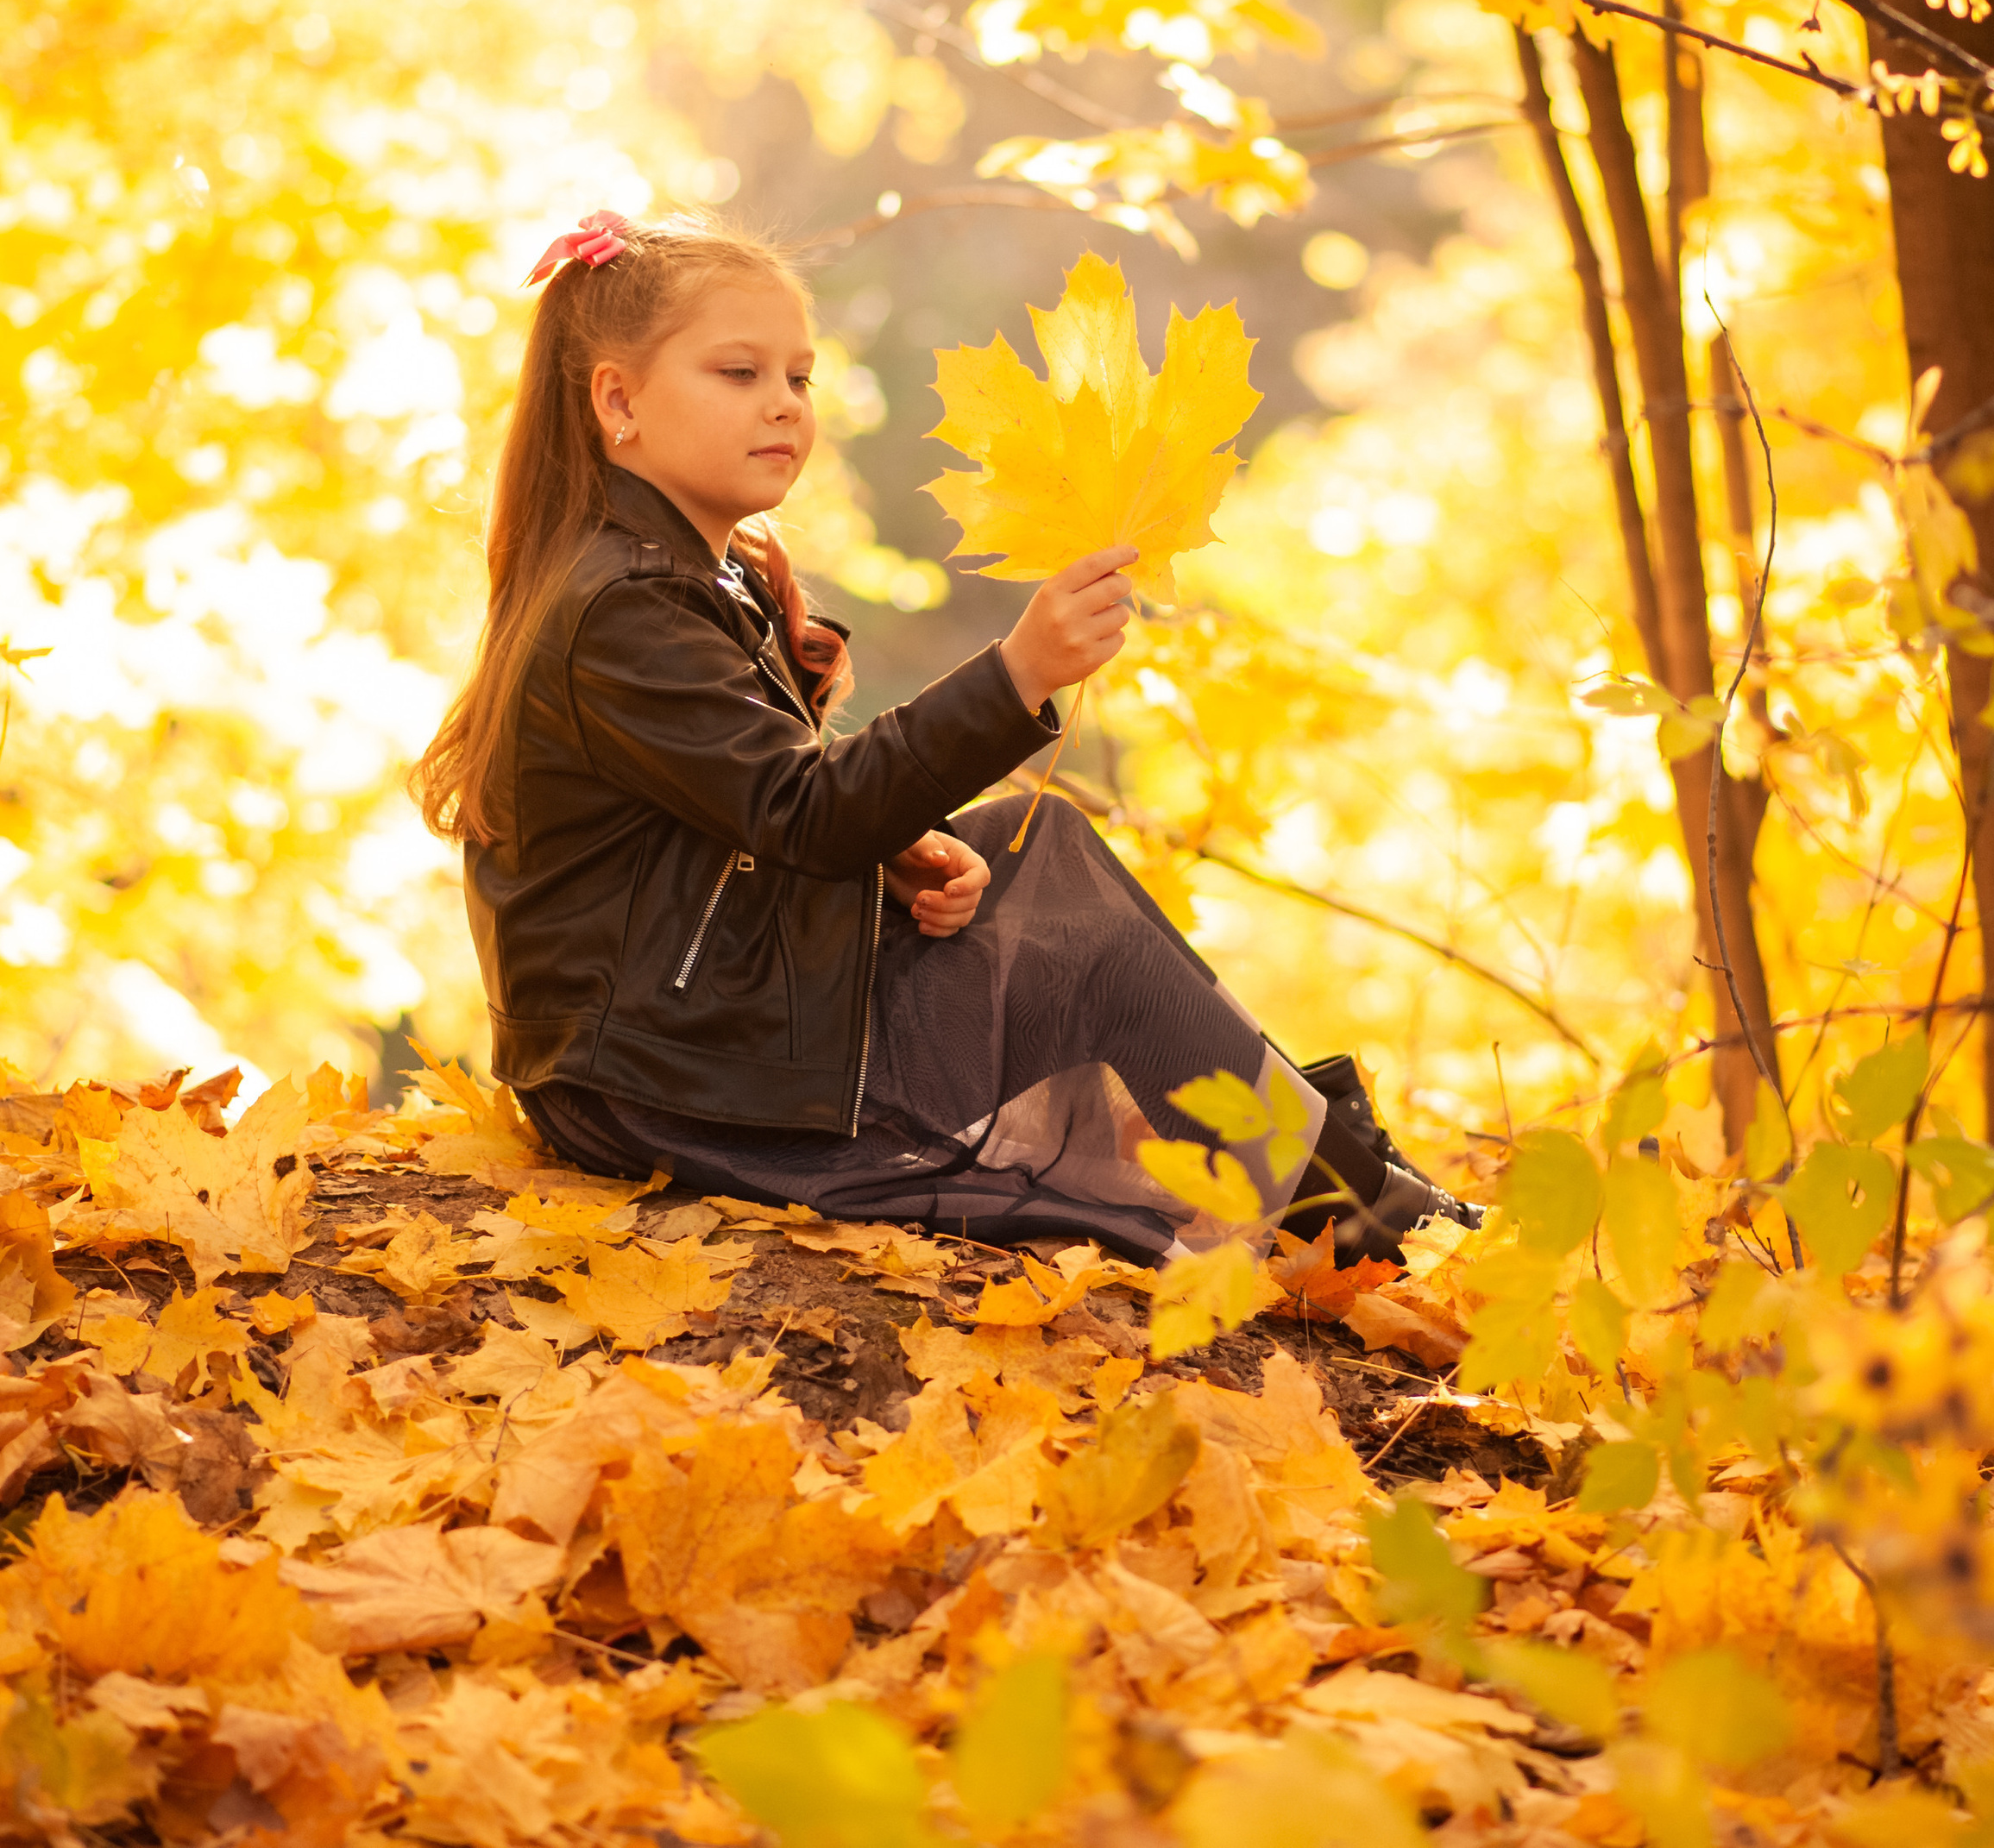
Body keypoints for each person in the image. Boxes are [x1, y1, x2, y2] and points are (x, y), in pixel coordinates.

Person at [412, 209, 1477, 1265]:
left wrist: (894, 862)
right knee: (1084, 949)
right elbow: (801, 812)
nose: (783, 405)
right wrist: (1019, 673)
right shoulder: (622, 605)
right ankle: (1349, 1197)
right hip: (662, 1081)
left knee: (1031, 840)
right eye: (738, 374)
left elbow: (734, 823)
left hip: (697, 1029)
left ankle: (1332, 1174)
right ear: (617, 401)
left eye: (799, 377)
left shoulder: (693, 576)